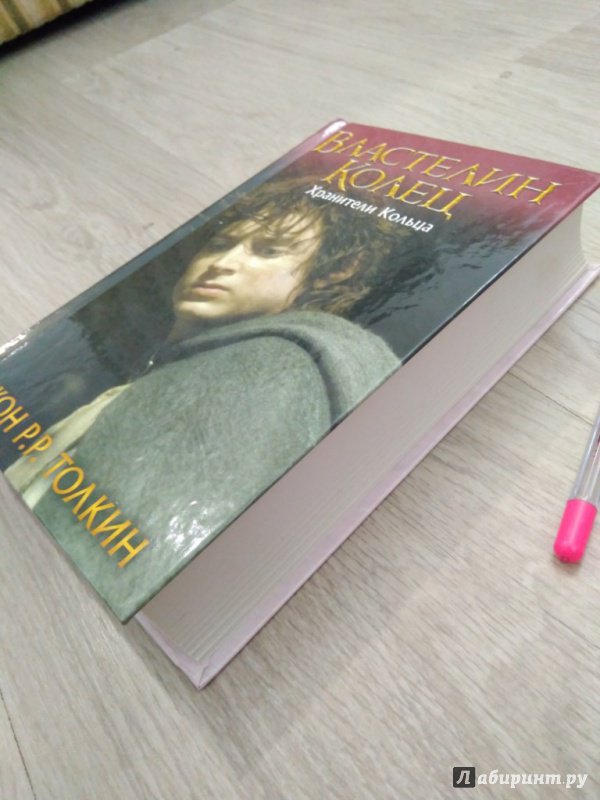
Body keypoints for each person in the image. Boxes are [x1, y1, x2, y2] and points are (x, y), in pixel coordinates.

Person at [6, 175, 403, 618]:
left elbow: (113, 563)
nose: (223, 263)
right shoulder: (209, 363)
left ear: (332, 272)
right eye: (220, 245)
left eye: (268, 251)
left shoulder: (265, 369)